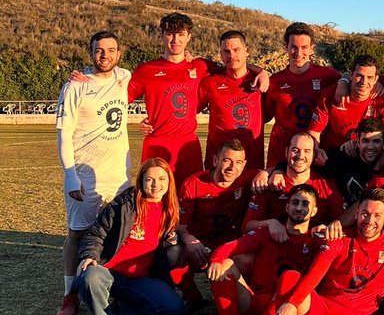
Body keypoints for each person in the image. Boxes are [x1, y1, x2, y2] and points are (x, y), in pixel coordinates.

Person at [128, 12, 268, 186]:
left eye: (180, 34)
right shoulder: (146, 70)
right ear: (162, 36)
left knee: (189, 196)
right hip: (157, 142)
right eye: (170, 34)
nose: (175, 40)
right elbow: (120, 99)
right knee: (153, 195)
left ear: (189, 37)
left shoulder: (200, 66)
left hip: (188, 146)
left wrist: (262, 71)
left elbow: (234, 65)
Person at [55, 31, 132, 315]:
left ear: (119, 53)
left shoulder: (124, 77)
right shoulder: (75, 87)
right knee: (77, 233)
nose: (105, 55)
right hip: (84, 174)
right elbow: (63, 134)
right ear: (91, 53)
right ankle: (69, 294)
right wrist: (70, 174)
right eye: (99, 50)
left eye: (111, 50)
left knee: (116, 232)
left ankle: (108, 289)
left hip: (118, 175)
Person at [72, 157, 186, 315]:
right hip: (109, 271)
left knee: (174, 308)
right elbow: (95, 234)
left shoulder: (170, 209)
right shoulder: (122, 205)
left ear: (169, 181)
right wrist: (89, 255)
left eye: (162, 179)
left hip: (140, 278)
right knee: (90, 277)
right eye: (149, 179)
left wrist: (172, 239)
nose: (156, 184)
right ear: (141, 181)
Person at [211, 184, 325, 315]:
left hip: (284, 314)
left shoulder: (316, 242)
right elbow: (230, 247)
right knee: (224, 264)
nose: (299, 208)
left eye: (305, 204)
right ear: (287, 207)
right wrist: (215, 261)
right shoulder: (267, 233)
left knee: (290, 281)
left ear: (314, 211)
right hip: (254, 304)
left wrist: (332, 230)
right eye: (295, 203)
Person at [170, 139, 258, 297]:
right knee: (174, 253)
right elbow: (180, 227)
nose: (232, 167)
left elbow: (277, 170)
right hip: (200, 247)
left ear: (244, 165)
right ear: (215, 160)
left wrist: (270, 172)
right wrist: (189, 239)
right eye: (227, 160)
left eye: (238, 162)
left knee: (248, 259)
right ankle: (192, 298)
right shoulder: (194, 184)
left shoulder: (246, 178)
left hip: (229, 248)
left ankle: (240, 300)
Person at [263, 22, 341, 166]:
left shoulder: (329, 76)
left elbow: (352, 80)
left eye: (304, 48)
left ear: (312, 49)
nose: (298, 53)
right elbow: (264, 116)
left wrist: (346, 80)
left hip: (317, 152)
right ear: (285, 47)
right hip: (282, 153)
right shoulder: (274, 81)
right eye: (293, 47)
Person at [243, 131, 344, 236]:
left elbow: (341, 223)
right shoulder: (269, 183)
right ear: (286, 152)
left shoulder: (327, 187)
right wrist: (269, 223)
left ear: (314, 155)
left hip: (311, 248)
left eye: (307, 151)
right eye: (295, 150)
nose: (300, 156)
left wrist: (330, 228)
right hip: (275, 248)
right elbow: (246, 226)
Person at [309, 53, 384, 160]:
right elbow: (314, 132)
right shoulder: (332, 95)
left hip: (368, 159)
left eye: (369, 77)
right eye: (359, 76)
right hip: (334, 157)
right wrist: (316, 151)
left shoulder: (383, 100)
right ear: (351, 74)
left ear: (376, 79)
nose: (364, 82)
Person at [198, 31, 266, 170]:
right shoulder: (211, 83)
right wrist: (153, 120)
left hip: (251, 164)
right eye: (226, 51)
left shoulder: (260, 82)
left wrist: (262, 71)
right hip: (218, 165)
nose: (231, 55)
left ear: (247, 51)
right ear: (221, 54)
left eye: (236, 50)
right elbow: (189, 110)